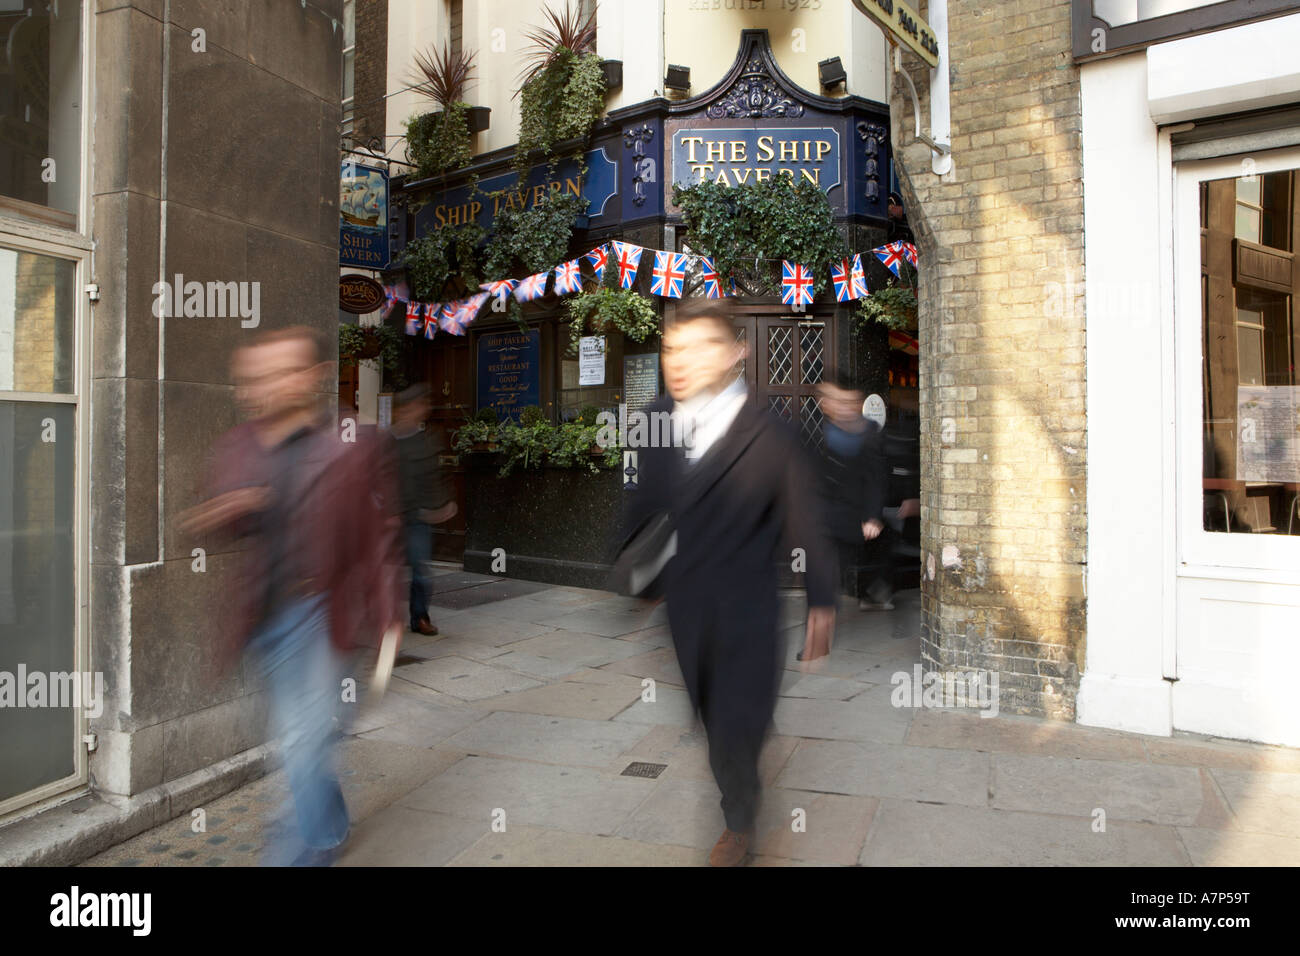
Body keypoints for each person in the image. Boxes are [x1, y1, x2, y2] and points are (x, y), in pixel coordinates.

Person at [619, 298, 836, 867]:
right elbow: (643, 508)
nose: (680, 361)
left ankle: (738, 822)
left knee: (739, 723)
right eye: (672, 349)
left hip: (748, 611)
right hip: (688, 611)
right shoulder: (656, 420)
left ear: (735, 353)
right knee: (714, 723)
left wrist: (822, 600)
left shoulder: (772, 435)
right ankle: (738, 768)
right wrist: (640, 581)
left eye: (699, 347)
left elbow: (805, 519)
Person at [181, 326, 402, 866]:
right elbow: (204, 515)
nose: (264, 386)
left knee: (302, 744)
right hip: (267, 619)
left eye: (281, 372)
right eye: (255, 376)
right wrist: (224, 510)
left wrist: (391, 618)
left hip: (325, 616)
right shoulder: (240, 444)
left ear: (313, 376)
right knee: (301, 742)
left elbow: (379, 539)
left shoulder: (354, 442)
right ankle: (330, 822)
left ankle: (306, 853)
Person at [814, 377, 893, 610]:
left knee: (871, 550)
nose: (844, 408)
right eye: (838, 401)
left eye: (850, 402)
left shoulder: (869, 434)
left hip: (854, 514)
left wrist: (872, 516)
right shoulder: (819, 432)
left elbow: (876, 478)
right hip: (825, 515)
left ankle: (872, 591)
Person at [391, 384, 457, 636]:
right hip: (390, 519)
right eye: (419, 404)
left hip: (417, 517)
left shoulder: (427, 440)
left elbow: (438, 476)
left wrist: (444, 503)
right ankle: (383, 619)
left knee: (421, 572)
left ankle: (419, 617)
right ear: (404, 409)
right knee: (384, 574)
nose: (424, 409)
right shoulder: (387, 442)